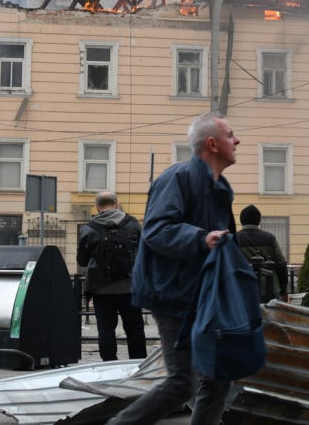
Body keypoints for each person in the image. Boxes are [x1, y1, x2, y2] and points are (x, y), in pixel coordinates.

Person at [107, 112, 239, 425]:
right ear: (212, 143)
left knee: (220, 375)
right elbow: (156, 229)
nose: (237, 140)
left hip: (201, 296)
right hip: (173, 294)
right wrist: (201, 238)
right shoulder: (178, 178)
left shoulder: (220, 187)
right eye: (230, 134)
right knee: (182, 383)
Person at [77, 190, 148, 361]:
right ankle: (138, 364)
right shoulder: (132, 224)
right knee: (135, 328)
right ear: (117, 204)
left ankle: (109, 365)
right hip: (129, 287)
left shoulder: (88, 228)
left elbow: (82, 261)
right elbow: (144, 253)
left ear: (97, 206)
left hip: (101, 290)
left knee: (106, 329)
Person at [235, 204, 289, 303]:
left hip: (243, 289)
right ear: (259, 220)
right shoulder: (270, 238)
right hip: (270, 289)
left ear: (241, 221)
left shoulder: (234, 239)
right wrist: (284, 292)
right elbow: (281, 264)